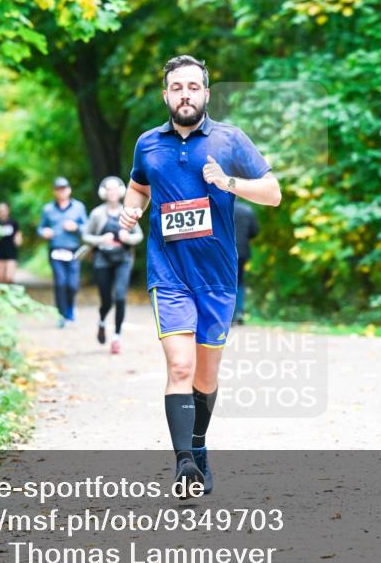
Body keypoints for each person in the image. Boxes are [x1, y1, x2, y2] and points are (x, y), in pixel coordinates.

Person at [119, 55, 281, 495]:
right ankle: (184, 464)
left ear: (206, 93)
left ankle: (199, 443)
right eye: (177, 87)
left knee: (205, 377)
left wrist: (228, 183)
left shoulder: (230, 139)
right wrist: (132, 211)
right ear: (166, 95)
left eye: (193, 87)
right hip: (169, 273)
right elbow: (138, 186)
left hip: (217, 277)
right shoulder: (148, 144)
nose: (185, 95)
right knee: (180, 365)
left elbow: (273, 193)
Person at [83, 176, 144, 354]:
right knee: (106, 301)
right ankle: (102, 321)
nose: (112, 193)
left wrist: (128, 238)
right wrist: (101, 239)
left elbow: (139, 235)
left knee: (120, 297)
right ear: (104, 192)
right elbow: (85, 236)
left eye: (115, 189)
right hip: (102, 260)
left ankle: (117, 337)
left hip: (123, 260)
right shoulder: (97, 214)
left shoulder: (127, 212)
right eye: (109, 189)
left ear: (121, 192)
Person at [38, 177, 88, 327]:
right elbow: (40, 228)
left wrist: (76, 227)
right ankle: (62, 315)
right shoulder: (48, 209)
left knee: (72, 284)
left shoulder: (78, 207)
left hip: (73, 251)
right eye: (58, 189)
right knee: (60, 283)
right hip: (55, 251)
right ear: (54, 192)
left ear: (69, 190)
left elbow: (87, 228)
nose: (62, 192)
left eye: (64, 188)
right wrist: (44, 232)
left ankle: (70, 308)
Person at [233, 199, 260, 325]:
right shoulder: (247, 210)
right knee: (240, 281)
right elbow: (255, 231)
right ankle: (239, 312)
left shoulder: (218, 207)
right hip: (242, 251)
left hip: (223, 250)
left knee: (224, 280)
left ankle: (227, 314)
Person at [0, 202, 22, 284]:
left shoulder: (13, 223)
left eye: (4, 210)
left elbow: (18, 234)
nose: (3, 212)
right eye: (1, 211)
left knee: (9, 278)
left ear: (8, 211)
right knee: (0, 279)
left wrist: (18, 240)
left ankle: (9, 290)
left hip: (11, 252)